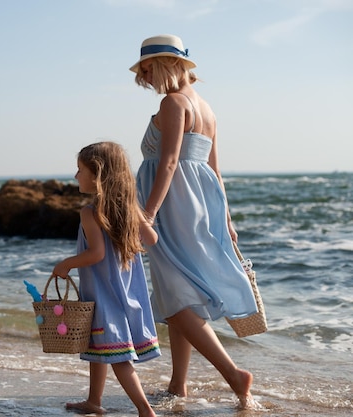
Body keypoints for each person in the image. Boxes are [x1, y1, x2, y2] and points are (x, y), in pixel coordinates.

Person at [130, 34, 258, 409]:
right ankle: (178, 384)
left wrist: (148, 213)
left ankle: (234, 374)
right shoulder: (208, 108)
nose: (147, 79)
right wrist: (227, 219)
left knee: (174, 296)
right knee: (181, 293)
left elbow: (169, 162)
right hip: (198, 204)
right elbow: (215, 172)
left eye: (148, 70)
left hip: (171, 205)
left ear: (168, 64)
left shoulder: (173, 103)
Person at [52, 141, 160, 417]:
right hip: (127, 291)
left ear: (97, 174)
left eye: (80, 170)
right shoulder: (127, 208)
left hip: (104, 295)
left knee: (118, 357)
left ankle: (145, 410)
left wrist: (66, 264)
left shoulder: (90, 212)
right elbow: (152, 239)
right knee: (101, 348)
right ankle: (93, 401)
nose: (76, 176)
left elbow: (96, 254)